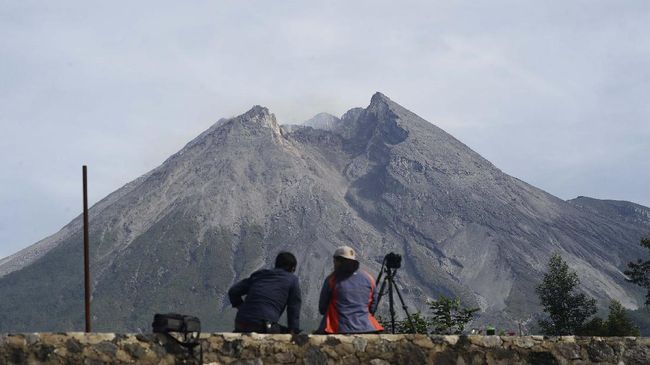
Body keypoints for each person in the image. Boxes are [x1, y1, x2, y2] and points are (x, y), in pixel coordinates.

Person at [228, 251, 301, 333]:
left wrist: (240, 306)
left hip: (241, 323)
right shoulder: (292, 280)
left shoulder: (260, 275)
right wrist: (294, 330)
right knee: (285, 334)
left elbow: (233, 291)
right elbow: (293, 308)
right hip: (263, 326)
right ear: (293, 268)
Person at [317, 246, 384, 334]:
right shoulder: (369, 278)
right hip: (367, 328)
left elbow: (322, 308)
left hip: (339, 329)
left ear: (338, 261)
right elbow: (372, 307)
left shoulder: (332, 280)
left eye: (335, 261)